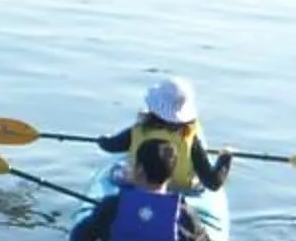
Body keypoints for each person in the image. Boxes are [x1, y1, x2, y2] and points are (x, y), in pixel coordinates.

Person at [69, 137, 234, 241]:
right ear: (171, 173)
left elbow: (77, 239)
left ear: (139, 169)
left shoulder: (112, 205)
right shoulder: (184, 214)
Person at [95, 75, 234, 192]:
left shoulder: (138, 130)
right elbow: (213, 183)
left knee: (118, 169)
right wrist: (225, 158)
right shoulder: (190, 139)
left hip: (138, 183)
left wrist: (102, 139)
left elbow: (110, 146)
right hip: (180, 189)